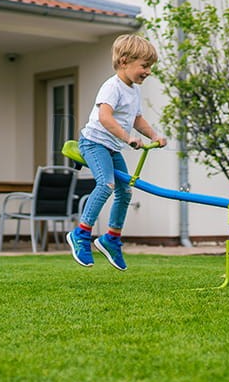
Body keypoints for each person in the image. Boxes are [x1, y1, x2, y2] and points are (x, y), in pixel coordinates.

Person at [67, 34, 167, 271]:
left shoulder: (134, 90)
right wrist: (127, 138)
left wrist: (154, 136)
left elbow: (137, 119)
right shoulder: (112, 87)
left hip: (111, 148)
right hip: (94, 143)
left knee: (126, 191)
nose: (148, 71)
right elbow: (105, 117)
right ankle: (80, 234)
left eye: (150, 67)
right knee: (106, 185)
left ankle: (111, 239)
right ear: (124, 62)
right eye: (144, 66)